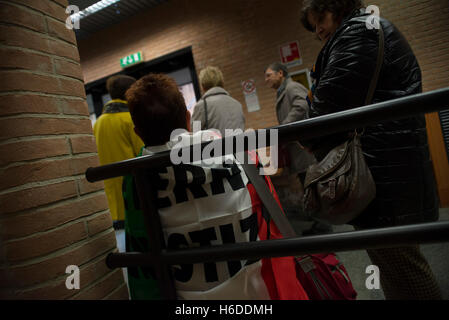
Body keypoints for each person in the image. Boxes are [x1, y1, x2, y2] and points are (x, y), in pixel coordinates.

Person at [123, 73, 309, 300]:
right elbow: (271, 221)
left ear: (138, 133)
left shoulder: (138, 178)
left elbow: (143, 258)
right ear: (188, 118)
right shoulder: (236, 151)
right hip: (257, 291)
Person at [300, 0, 441, 299]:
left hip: (382, 174)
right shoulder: (367, 28)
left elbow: (325, 111)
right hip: (389, 167)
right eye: (314, 27)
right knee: (398, 267)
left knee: (404, 270)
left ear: (337, 6)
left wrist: (309, 134)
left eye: (321, 19)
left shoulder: (359, 32)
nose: (319, 30)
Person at [264, 62, 329, 236]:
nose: (266, 79)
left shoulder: (292, 87)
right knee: (308, 185)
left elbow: (302, 106)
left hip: (304, 148)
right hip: (299, 149)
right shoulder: (284, 91)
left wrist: (284, 128)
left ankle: (323, 226)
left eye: (269, 75)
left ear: (280, 74)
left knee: (312, 185)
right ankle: (319, 223)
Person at [93, 75, 144, 255]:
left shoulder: (97, 123)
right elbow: (144, 154)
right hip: (134, 200)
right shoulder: (130, 119)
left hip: (110, 206)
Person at [192, 66, 245, 136]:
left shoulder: (202, 106)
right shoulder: (237, 104)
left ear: (202, 85)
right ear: (222, 82)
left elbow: (195, 135)